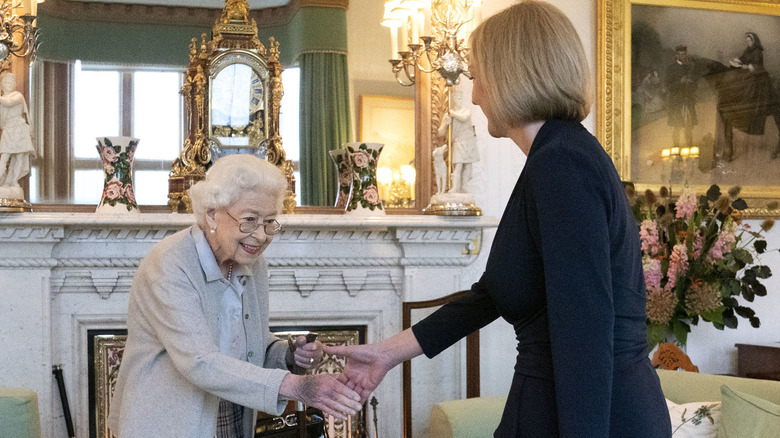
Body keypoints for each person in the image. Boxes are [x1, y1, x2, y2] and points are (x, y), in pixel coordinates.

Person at [326, 2, 671, 437]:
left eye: (478, 76)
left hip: (593, 415)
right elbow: (495, 293)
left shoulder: (562, 163)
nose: (474, 95)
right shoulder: (556, 156)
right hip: (556, 405)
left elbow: (584, 331)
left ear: (513, 75)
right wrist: (387, 352)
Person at [107, 154, 361, 438]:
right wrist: (296, 386)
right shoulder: (169, 264)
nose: (261, 235)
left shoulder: (252, 262)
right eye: (250, 219)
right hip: (169, 421)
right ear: (212, 214)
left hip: (233, 413)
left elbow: (251, 345)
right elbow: (199, 361)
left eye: (269, 222)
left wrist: (289, 354)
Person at [437, 88, 480, 193]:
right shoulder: (448, 115)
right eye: (457, 98)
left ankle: (464, 186)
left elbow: (464, 118)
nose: (459, 100)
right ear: (454, 100)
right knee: (458, 165)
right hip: (458, 142)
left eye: (461, 98)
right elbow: (440, 132)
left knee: (468, 166)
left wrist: (453, 114)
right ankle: (455, 187)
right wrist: (446, 124)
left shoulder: (465, 112)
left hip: (469, 141)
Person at [0, 72, 35, 188]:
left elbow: (9, 103)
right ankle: (2, 180)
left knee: (20, 156)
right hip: (8, 129)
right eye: (6, 82)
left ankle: (14, 181)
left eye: (11, 82)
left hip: (19, 129)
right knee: (4, 155)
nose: (9, 84)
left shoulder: (17, 96)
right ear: (2, 85)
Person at [664, 45, 698, 149]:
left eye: (684, 54)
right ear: (676, 55)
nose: (683, 56)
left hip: (687, 101)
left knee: (689, 126)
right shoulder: (671, 69)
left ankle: (689, 148)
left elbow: (696, 85)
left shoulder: (690, 67)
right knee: (677, 126)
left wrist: (691, 83)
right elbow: (668, 86)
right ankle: (676, 150)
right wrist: (680, 82)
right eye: (680, 54)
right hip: (676, 102)